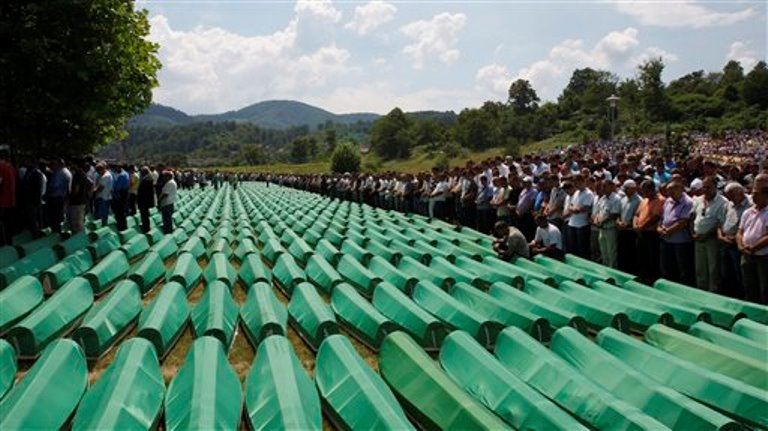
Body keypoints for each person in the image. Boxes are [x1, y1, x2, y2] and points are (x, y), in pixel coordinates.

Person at [691, 176, 728, 292]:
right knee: (700, 269)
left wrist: (706, 235)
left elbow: (720, 223)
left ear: (715, 187)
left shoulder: (723, 202)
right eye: (704, 187)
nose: (705, 190)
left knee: (713, 269)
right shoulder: (698, 200)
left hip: (712, 240)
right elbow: (692, 218)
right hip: (698, 239)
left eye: (708, 187)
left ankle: (713, 293)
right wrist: (692, 233)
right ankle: (701, 292)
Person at [658, 181, 695, 286]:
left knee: (683, 267)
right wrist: (659, 228)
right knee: (666, 266)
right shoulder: (668, 201)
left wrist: (668, 231)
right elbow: (662, 217)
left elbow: (683, 222)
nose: (670, 194)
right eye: (669, 192)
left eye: (672, 191)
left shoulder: (688, 202)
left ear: (680, 189)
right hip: (666, 239)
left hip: (680, 241)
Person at [737, 186, 768, 304]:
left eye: (756, 194)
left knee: (764, 288)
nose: (753, 196)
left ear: (765, 195)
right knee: (749, 286)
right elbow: (740, 232)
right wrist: (741, 245)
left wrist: (754, 247)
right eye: (752, 194)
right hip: (747, 255)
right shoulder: (748, 212)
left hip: (763, 257)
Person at [719, 182, 751, 298]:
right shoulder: (730, 204)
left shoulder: (749, 205)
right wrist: (721, 235)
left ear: (740, 192)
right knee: (726, 273)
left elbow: (748, 227)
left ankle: (741, 296)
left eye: (731, 195)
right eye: (728, 196)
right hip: (725, 243)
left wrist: (736, 239)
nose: (729, 198)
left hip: (737, 245)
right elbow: (721, 221)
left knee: (740, 274)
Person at [634, 180, 665, 284]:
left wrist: (641, 227)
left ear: (652, 189)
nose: (644, 194)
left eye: (645, 191)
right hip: (641, 232)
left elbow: (655, 217)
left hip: (651, 234)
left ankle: (651, 280)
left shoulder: (660, 200)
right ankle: (643, 277)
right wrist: (635, 225)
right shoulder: (644, 200)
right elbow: (637, 214)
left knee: (652, 258)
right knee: (641, 257)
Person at [593, 179, 621, 268]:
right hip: (601, 229)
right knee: (603, 252)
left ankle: (612, 272)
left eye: (605, 186)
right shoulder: (602, 198)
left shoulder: (616, 198)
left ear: (611, 186)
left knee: (611, 253)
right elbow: (598, 212)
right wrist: (596, 220)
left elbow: (614, 214)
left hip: (610, 229)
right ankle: (605, 270)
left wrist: (601, 221)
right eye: (602, 186)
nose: (603, 188)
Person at [563, 175, 593, 259]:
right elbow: (571, 207)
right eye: (574, 182)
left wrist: (575, 209)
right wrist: (575, 209)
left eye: (577, 182)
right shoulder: (576, 193)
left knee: (582, 250)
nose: (575, 184)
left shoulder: (588, 193)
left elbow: (585, 208)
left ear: (582, 181)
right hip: (572, 223)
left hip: (582, 225)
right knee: (573, 248)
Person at [617, 179, 641, 273]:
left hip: (631, 232)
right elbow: (619, 214)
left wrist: (628, 224)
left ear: (633, 189)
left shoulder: (639, 201)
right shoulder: (623, 199)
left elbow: (638, 217)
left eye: (627, 189)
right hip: (621, 230)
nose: (625, 191)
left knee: (630, 255)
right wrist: (618, 222)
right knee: (622, 254)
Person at [45, 159, 71, 234]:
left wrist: (47, 191)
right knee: (59, 216)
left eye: (54, 164)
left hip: (55, 197)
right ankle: (58, 231)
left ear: (59, 164)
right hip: (61, 196)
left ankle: (56, 232)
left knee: (55, 216)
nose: (52, 167)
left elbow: (54, 185)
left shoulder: (59, 173)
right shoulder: (66, 172)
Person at [67, 161, 92, 233]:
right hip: (82, 201)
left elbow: (76, 189)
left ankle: (79, 240)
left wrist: (70, 198)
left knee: (76, 223)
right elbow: (91, 185)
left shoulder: (78, 174)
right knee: (79, 222)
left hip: (76, 202)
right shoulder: (84, 174)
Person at [0, 150, 16, 244]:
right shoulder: (11, 167)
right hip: (11, 201)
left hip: (2, 202)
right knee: (8, 225)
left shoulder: (1, 167)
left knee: (3, 226)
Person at [111, 164, 130, 231]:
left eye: (116, 169)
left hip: (120, 195)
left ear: (119, 168)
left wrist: (113, 191)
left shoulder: (122, 175)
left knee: (119, 212)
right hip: (124, 194)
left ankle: (121, 227)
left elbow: (118, 187)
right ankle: (123, 226)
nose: (115, 170)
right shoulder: (126, 174)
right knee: (122, 212)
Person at [137, 166, 155, 233]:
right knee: (145, 215)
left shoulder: (146, 180)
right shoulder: (149, 179)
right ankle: (146, 226)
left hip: (144, 201)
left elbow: (141, 191)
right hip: (146, 200)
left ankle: (146, 228)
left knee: (144, 215)